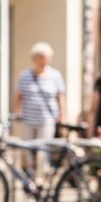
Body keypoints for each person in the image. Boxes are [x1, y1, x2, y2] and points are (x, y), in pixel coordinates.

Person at [12, 43, 67, 177]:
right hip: (28, 118)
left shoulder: (54, 75)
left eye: (45, 57)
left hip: (47, 119)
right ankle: (29, 173)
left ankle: (40, 177)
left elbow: (61, 96)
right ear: (34, 59)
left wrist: (62, 115)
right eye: (40, 57)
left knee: (43, 149)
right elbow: (19, 96)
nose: (43, 61)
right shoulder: (25, 76)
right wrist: (16, 113)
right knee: (27, 147)